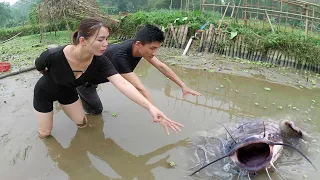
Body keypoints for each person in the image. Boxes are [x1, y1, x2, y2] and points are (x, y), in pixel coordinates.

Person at [33, 18, 183, 139]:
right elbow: (39, 67)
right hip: (45, 92)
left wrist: (151, 108)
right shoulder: (53, 55)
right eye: (100, 40)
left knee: (83, 125)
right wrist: (55, 78)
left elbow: (123, 83)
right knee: (46, 133)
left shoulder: (101, 61)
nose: (106, 44)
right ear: (83, 40)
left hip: (68, 92)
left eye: (107, 39)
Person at [76, 24, 201, 115]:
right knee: (96, 111)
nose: (155, 53)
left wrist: (183, 86)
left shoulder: (139, 48)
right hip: (84, 81)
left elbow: (162, 67)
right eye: (152, 48)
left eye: (157, 48)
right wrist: (155, 110)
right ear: (138, 44)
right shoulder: (121, 56)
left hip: (95, 78)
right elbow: (139, 87)